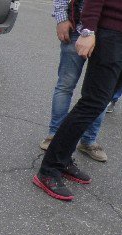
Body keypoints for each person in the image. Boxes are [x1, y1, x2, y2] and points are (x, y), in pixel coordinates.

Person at [34, 0, 122, 201]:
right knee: (93, 102)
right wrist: (88, 30)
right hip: (111, 33)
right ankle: (49, 169)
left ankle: (63, 160)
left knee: (102, 99)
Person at [41, 0, 108, 162]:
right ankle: (54, 135)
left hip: (109, 35)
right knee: (65, 85)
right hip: (77, 29)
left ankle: (88, 141)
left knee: (101, 93)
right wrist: (61, 19)